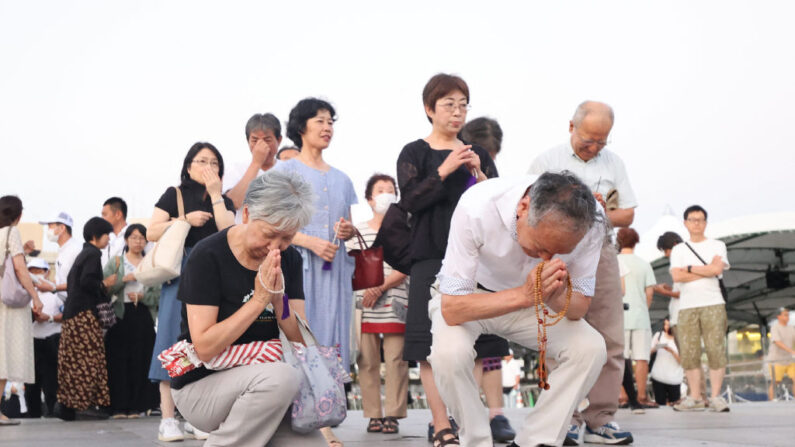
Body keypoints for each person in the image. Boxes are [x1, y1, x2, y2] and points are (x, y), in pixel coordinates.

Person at [427, 172, 609, 447]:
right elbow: (452, 308)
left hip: (537, 298)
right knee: (449, 354)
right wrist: (524, 295)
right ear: (523, 208)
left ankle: (536, 441)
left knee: (590, 347)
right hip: (470, 297)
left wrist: (555, 292)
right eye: (541, 247)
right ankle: (475, 441)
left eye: (559, 252)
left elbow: (578, 308)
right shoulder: (477, 206)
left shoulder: (592, 222)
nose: (547, 258)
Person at [170, 170, 323, 445]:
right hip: (201, 386)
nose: (275, 247)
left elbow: (299, 339)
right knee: (282, 377)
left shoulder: (290, 260)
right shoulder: (208, 256)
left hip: (266, 389)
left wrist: (279, 300)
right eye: (269, 234)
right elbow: (204, 347)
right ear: (248, 214)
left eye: (287, 238)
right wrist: (258, 301)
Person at [396, 73, 501, 446]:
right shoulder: (415, 152)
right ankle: (441, 424)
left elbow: (497, 204)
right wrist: (444, 169)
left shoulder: (479, 153)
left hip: (475, 260)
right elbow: (408, 201)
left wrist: (479, 173)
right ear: (429, 109)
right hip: (430, 256)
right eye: (448, 105)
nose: (457, 112)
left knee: (476, 343)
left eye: (462, 104)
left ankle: (466, 422)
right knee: (429, 347)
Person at [528, 101, 635, 445]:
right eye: (589, 139)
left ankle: (600, 416)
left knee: (610, 333)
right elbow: (530, 208)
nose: (594, 147)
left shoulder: (613, 163)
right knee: (563, 328)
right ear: (571, 127)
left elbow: (628, 214)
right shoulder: (547, 161)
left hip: (601, 248)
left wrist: (601, 211)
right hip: (560, 248)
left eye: (602, 141)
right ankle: (567, 417)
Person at [274, 97, 357, 447]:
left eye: (330, 122)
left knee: (330, 340)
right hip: (298, 270)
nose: (326, 128)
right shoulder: (284, 173)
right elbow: (272, 222)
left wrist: (348, 232)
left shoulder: (342, 179)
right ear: (301, 127)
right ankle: (310, 422)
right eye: (319, 121)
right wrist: (309, 242)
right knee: (300, 337)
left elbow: (353, 227)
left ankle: (324, 412)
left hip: (334, 273)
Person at [146, 142, 236, 441]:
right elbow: (151, 231)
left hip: (215, 276)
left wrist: (214, 195)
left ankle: (200, 416)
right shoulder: (174, 194)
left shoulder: (222, 198)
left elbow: (229, 231)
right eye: (201, 161)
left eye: (214, 162)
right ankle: (168, 418)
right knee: (172, 340)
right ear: (188, 166)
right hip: (180, 275)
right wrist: (184, 220)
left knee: (208, 343)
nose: (208, 166)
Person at [459, 115, 516, 441]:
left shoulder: (497, 178)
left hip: (491, 268)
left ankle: (497, 413)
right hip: (459, 266)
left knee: (491, 345)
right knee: (459, 347)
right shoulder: (454, 169)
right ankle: (463, 415)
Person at [345, 174, 409, 435]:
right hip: (364, 303)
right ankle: (373, 414)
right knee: (367, 360)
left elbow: (408, 264)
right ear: (370, 199)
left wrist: (382, 286)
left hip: (396, 300)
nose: (386, 193)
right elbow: (349, 266)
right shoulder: (357, 230)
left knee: (396, 359)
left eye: (390, 189)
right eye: (380, 190)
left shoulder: (406, 228)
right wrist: (367, 289)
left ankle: (393, 414)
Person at [670, 205, 731, 412]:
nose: (697, 223)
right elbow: (676, 277)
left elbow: (718, 269)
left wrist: (688, 269)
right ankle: (695, 397)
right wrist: (707, 270)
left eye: (701, 219)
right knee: (689, 352)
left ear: (706, 222)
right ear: (685, 223)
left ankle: (715, 396)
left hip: (713, 302)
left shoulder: (718, 245)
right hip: (687, 306)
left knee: (716, 350)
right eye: (692, 219)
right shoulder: (678, 249)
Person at [56, 217, 115, 421]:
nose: (108, 239)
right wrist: (104, 284)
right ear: (96, 236)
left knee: (73, 360)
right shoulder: (92, 255)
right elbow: (88, 281)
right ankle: (84, 405)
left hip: (73, 314)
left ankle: (69, 404)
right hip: (83, 315)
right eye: (107, 235)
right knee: (87, 360)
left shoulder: (83, 254)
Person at [103, 224, 160, 418]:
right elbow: (105, 288)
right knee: (118, 361)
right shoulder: (116, 262)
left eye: (142, 238)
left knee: (141, 360)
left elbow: (159, 293)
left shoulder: (151, 263)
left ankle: (138, 406)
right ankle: (119, 406)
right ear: (126, 240)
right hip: (120, 314)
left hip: (142, 314)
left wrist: (144, 297)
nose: (138, 241)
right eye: (134, 237)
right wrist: (123, 281)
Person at [0, 196, 44, 425]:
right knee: (4, 356)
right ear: (18, 215)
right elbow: (18, 267)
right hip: (6, 304)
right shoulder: (11, 232)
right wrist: (35, 296)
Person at [617, 228, 657, 407]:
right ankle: (642, 396)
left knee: (620, 358)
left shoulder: (614, 261)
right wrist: (643, 308)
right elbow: (650, 292)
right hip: (641, 316)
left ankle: (623, 396)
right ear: (636, 241)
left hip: (619, 316)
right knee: (641, 357)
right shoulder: (644, 264)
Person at [222, 113, 282, 223]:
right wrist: (256, 163)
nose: (261, 145)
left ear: (279, 140)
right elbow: (232, 203)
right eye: (255, 140)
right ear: (248, 141)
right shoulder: (235, 169)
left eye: (267, 140)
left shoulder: (290, 169)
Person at [24, 258, 62, 418]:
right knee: (31, 381)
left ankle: (52, 411)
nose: (35, 275)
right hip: (31, 341)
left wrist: (50, 318)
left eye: (39, 271)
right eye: (31, 271)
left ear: (47, 272)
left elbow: (66, 313)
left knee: (51, 379)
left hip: (51, 339)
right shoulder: (24, 294)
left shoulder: (57, 293)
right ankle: (33, 413)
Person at [36, 212, 82, 305]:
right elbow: (61, 279)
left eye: (50, 226)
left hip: (77, 303)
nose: (48, 230)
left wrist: (53, 288)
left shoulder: (76, 250)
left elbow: (81, 282)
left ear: (62, 228)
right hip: (64, 302)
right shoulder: (62, 250)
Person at [654, 232, 683, 335]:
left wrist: (662, 291)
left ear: (675, 245)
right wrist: (669, 289)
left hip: (682, 318)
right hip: (677, 317)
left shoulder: (684, 263)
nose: (666, 254)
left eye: (666, 250)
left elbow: (683, 293)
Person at [649, 318, 683, 406]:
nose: (667, 327)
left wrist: (672, 351)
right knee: (660, 405)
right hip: (658, 376)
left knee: (675, 405)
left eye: (669, 325)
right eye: (665, 325)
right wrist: (657, 347)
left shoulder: (681, 339)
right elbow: (648, 353)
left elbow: (683, 362)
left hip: (675, 379)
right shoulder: (659, 335)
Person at [766, 307, 794, 399]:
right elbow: (778, 342)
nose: (788, 317)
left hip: (790, 360)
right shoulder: (775, 328)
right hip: (776, 360)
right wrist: (791, 351)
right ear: (779, 316)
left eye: (788, 315)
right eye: (785, 315)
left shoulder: (791, 328)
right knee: (776, 381)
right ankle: (771, 402)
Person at [100, 197, 129, 267]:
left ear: (118, 214)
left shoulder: (139, 236)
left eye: (105, 215)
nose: (102, 218)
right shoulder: (101, 238)